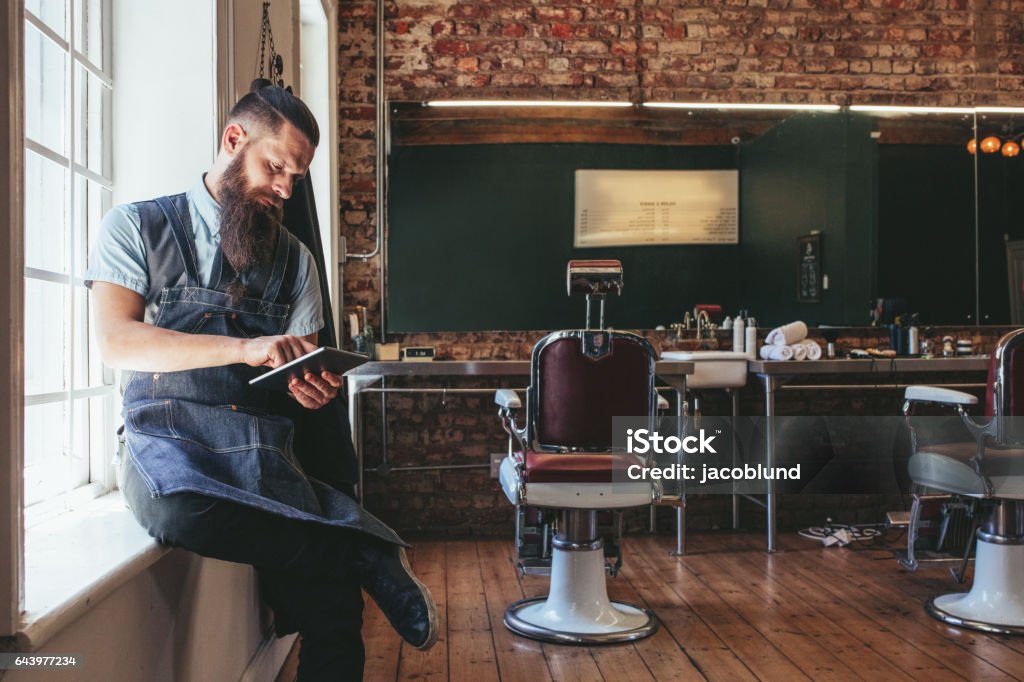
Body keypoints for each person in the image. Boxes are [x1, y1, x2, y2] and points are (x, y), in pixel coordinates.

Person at [85, 81, 437, 681]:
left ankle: (345, 557)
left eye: (295, 178)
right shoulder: (133, 226)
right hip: (166, 441)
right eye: (276, 167)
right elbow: (115, 342)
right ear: (233, 139)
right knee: (180, 513)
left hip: (260, 449)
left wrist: (307, 385)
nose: (283, 189)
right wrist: (247, 347)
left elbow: (292, 372)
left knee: (333, 612)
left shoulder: (297, 262)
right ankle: (357, 548)